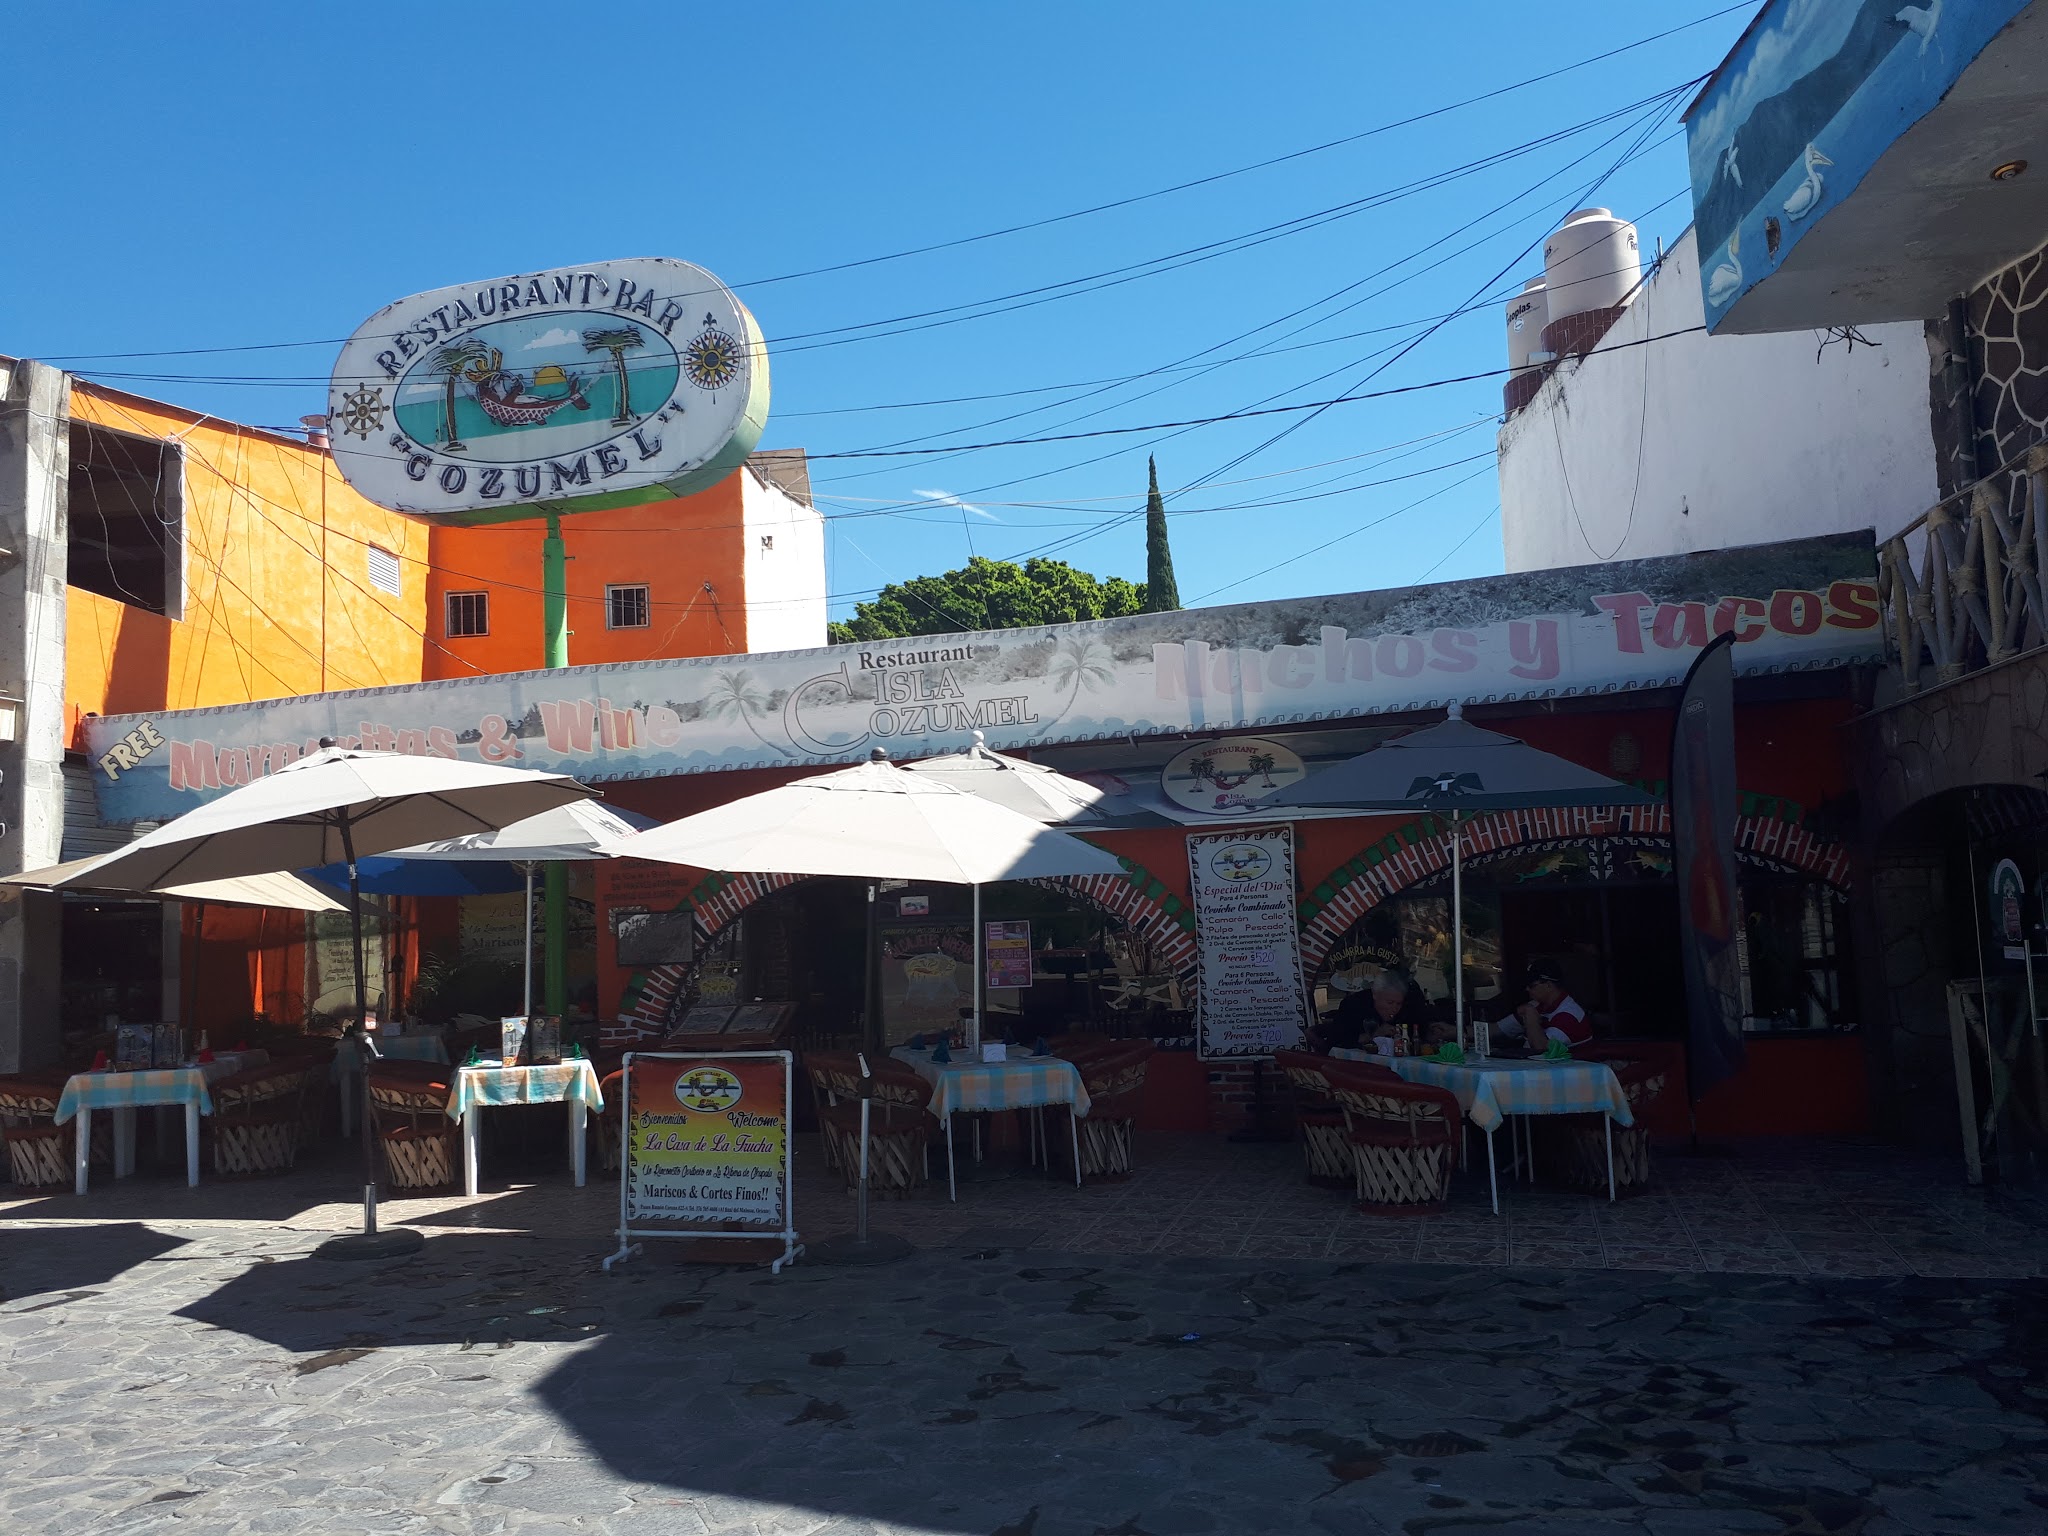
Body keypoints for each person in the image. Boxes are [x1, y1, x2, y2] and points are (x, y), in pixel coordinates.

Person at [1492, 963, 1590, 1052]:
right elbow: (1497, 1030)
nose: (1527, 989)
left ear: (1549, 985)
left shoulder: (1569, 1015)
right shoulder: (1535, 1005)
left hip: (1563, 1069)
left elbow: (1541, 1050)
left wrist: (1531, 1019)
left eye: (1531, 985)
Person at [1311, 970, 1415, 1054]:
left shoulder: (1405, 1010)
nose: (1395, 1008)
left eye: (1398, 1004)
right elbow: (1339, 1039)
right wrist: (1374, 1034)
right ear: (1375, 995)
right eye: (1390, 1002)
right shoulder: (1354, 1005)